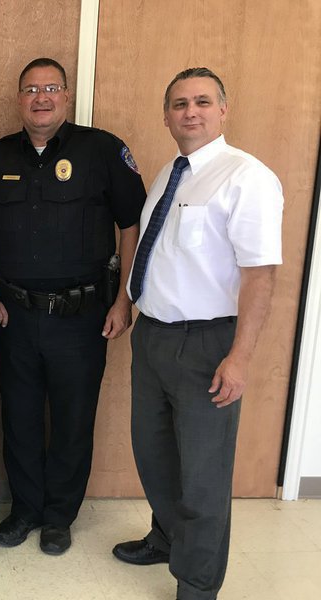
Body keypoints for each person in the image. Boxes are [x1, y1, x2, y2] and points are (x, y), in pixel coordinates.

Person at [0, 58, 146, 554]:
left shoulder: (103, 150)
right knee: (17, 418)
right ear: (19, 99)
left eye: (51, 88)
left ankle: (59, 516)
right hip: (13, 317)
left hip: (82, 318)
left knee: (73, 419)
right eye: (31, 89)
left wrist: (124, 299)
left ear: (67, 96)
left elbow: (132, 226)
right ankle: (25, 510)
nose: (41, 97)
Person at [112, 68, 283, 600]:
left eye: (203, 102)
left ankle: (198, 583)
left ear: (223, 110)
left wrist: (240, 358)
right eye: (180, 103)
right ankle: (167, 538)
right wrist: (128, 305)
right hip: (155, 337)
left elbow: (260, 275)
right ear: (166, 116)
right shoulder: (169, 173)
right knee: (154, 453)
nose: (191, 111)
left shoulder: (246, 177)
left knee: (204, 475)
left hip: (208, 344)